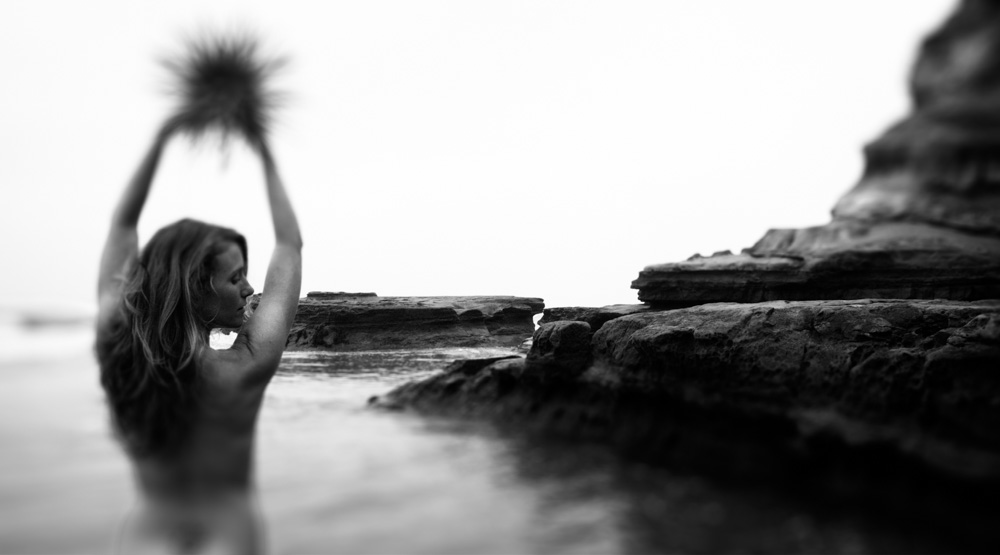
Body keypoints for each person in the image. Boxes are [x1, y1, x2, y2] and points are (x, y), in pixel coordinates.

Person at [95, 114, 302, 554]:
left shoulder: (119, 344)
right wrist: (262, 147)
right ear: (196, 287)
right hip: (228, 533)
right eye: (236, 278)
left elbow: (122, 226)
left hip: (145, 537)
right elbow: (289, 244)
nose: (249, 288)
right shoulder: (246, 363)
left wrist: (162, 136)